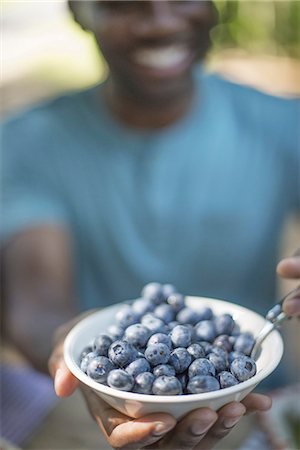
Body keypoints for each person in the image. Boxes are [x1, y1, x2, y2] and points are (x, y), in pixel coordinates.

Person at [1, 1, 300, 449]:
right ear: (78, 11)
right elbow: (36, 298)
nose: (160, 20)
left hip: (262, 408)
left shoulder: (281, 125)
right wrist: (73, 356)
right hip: (88, 419)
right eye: (123, 1)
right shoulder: (27, 143)